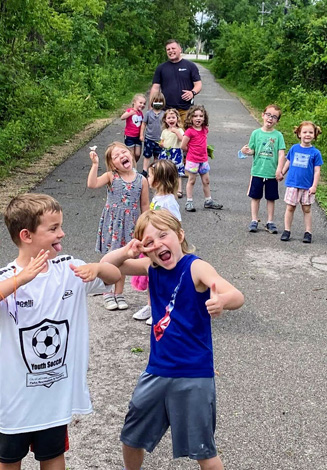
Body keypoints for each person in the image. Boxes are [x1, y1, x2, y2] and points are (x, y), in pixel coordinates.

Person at [0, 194, 120, 470]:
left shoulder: (69, 269)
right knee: (8, 461)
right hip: (14, 404)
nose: (62, 233)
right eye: (53, 228)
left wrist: (98, 267)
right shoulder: (4, 277)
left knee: (53, 459)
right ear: (26, 235)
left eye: (60, 226)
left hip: (55, 402)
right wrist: (21, 279)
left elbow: (114, 276)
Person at [101, 210, 244, 470]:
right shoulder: (150, 267)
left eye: (163, 235)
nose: (158, 244)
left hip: (194, 375)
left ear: (180, 235)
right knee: (131, 438)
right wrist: (127, 251)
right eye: (149, 242)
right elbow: (107, 265)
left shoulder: (196, 267)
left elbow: (236, 294)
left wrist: (222, 300)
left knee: (204, 451)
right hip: (157, 371)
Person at [87, 142, 149, 311]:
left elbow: (144, 205)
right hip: (112, 224)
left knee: (124, 259)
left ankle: (119, 293)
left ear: (130, 155)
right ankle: (107, 293)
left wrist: (145, 228)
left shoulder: (142, 180)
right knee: (111, 259)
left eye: (123, 152)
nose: (121, 156)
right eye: (116, 156)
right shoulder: (111, 176)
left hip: (131, 225)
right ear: (112, 163)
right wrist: (95, 165)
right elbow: (92, 184)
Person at [132, 160, 181, 323]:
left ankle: (160, 309)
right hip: (151, 245)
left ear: (158, 180)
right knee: (151, 275)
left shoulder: (168, 202)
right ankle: (151, 305)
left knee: (162, 278)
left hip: (162, 248)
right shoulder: (158, 197)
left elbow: (175, 224)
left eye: (150, 175)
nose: (147, 176)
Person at [241, 104, 286, 234]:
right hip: (257, 171)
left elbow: (281, 154)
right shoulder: (256, 133)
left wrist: (279, 170)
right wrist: (246, 151)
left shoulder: (278, 136)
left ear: (277, 121)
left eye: (274, 117)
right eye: (268, 115)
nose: (270, 119)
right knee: (255, 197)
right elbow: (252, 150)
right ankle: (254, 220)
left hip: (271, 173)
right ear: (263, 115)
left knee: (271, 198)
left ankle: (270, 222)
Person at [280, 121, 323, 243]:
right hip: (293, 184)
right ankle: (287, 230)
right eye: (304, 132)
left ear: (315, 135)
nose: (307, 135)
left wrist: (314, 186)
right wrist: (282, 172)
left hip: (307, 186)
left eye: (310, 132)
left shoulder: (315, 153)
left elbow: (316, 171)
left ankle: (308, 232)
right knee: (290, 208)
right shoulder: (294, 148)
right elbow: (288, 161)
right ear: (299, 134)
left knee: (307, 209)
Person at [181, 104, 223, 212]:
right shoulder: (189, 131)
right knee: (191, 180)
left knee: (206, 180)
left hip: (203, 160)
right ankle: (189, 201)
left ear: (204, 118)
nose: (198, 118)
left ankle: (208, 201)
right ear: (190, 117)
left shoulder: (205, 129)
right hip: (193, 160)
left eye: (201, 116)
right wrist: (191, 151)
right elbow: (183, 146)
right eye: (195, 116)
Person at [151, 39, 202, 124]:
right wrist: (152, 108)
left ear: (180, 49)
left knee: (184, 136)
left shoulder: (190, 66)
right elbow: (155, 88)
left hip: (185, 110)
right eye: (168, 49)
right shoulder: (161, 68)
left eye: (173, 48)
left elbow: (198, 84)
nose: (171, 51)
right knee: (167, 136)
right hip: (166, 110)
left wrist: (192, 92)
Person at [159, 108, 185, 198]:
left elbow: (182, 139)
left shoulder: (180, 130)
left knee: (177, 172)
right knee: (165, 170)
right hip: (166, 152)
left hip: (176, 152)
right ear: (165, 120)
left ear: (177, 119)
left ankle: (179, 189)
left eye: (173, 117)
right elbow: (162, 141)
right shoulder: (164, 131)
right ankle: (165, 188)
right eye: (169, 118)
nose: (171, 119)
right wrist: (161, 144)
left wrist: (177, 132)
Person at [139, 91, 166, 177]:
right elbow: (143, 124)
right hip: (149, 138)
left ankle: (155, 171)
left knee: (157, 156)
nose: (157, 103)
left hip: (159, 140)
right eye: (156, 101)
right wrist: (141, 135)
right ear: (152, 102)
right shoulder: (148, 113)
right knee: (147, 156)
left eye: (159, 101)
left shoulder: (164, 114)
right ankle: (144, 171)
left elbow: (166, 126)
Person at [121, 93, 146, 162]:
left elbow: (142, 124)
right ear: (134, 102)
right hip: (129, 136)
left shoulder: (140, 113)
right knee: (131, 154)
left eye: (144, 104)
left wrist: (141, 134)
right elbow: (122, 117)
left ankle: (133, 164)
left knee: (137, 154)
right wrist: (129, 113)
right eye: (140, 103)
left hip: (137, 136)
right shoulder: (130, 110)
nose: (142, 105)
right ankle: (132, 168)